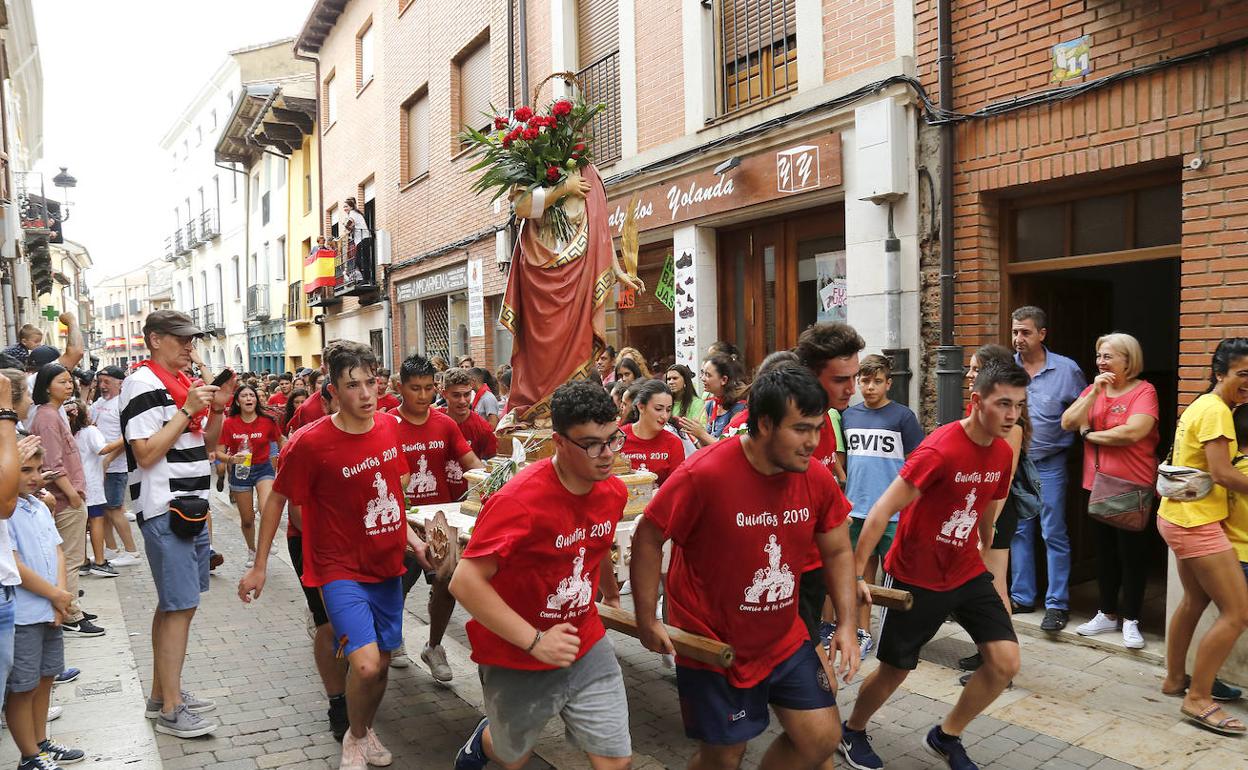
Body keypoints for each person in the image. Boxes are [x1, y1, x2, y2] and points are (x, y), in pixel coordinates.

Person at [631, 365, 858, 770]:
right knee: (724, 756)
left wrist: (846, 624)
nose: (813, 442)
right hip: (712, 642)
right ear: (765, 424)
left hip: (782, 634)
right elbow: (648, 536)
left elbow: (839, 551)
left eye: (817, 428)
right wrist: (647, 619)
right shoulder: (705, 473)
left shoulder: (815, 476)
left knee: (821, 738)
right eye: (801, 429)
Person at [239, 341, 431, 769]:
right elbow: (277, 500)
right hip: (337, 568)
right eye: (352, 385)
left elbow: (393, 497)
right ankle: (353, 738)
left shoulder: (389, 427)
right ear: (334, 391)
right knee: (365, 666)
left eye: (370, 383)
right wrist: (259, 566)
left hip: (386, 564)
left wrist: (415, 543)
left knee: (382, 665)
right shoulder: (310, 442)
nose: (365, 394)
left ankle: (361, 731)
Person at [839, 362, 1027, 770]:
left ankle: (946, 735)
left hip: (965, 570)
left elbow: (988, 500)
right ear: (977, 401)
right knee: (895, 670)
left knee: (1005, 662)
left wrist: (986, 538)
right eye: (1003, 404)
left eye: (1019, 405)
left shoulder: (1001, 450)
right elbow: (881, 510)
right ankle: (851, 730)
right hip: (915, 574)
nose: (1012, 415)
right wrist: (855, 573)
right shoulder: (940, 449)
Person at [451, 381, 632, 770]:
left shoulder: (614, 491)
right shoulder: (518, 502)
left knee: (615, 762)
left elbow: (595, 544)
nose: (607, 455)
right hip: (515, 650)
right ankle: (483, 743)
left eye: (612, 440)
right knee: (511, 756)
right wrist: (535, 641)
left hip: (584, 640)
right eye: (592, 444)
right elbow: (464, 581)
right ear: (559, 442)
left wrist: (612, 594)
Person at [121, 310, 233, 738]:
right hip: (167, 508)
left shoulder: (181, 382)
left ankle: (161, 695)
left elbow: (207, 444)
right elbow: (146, 453)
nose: (190, 346)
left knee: (175, 605)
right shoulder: (141, 383)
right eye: (181, 339)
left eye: (192, 339)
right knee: (179, 607)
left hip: (189, 508)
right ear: (155, 339)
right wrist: (187, 410)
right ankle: (171, 709)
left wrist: (216, 410)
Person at [1155, 338, 1248, 736]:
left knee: (1194, 600)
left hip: (1178, 516)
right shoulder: (1216, 411)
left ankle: (1176, 678)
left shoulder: (1203, 404)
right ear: (1220, 373)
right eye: (1243, 374)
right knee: (1238, 613)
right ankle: (1198, 698)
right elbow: (1223, 473)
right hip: (1196, 523)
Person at [1060, 333, 1159, 650]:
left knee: (1132, 556)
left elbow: (1133, 432)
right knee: (1104, 554)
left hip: (1133, 484)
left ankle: (1131, 619)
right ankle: (1106, 613)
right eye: (1099, 356)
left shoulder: (1144, 391)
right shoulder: (1094, 389)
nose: (1101, 362)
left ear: (1128, 360)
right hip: (1097, 484)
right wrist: (1093, 394)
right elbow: (1068, 422)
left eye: (1108, 356)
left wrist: (1090, 436)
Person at [388, 355, 482, 678]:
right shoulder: (385, 425)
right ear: (400, 387)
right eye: (416, 388)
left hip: (439, 523)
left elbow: (472, 463)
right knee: (398, 585)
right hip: (401, 521)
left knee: (446, 583)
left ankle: (434, 645)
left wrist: (492, 480)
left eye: (429, 388)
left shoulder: (445, 424)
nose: (423, 395)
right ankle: (393, 637)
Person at [5, 448, 85, 769]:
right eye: (25, 470)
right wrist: (55, 595)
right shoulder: (6, 514)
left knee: (46, 677)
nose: (35, 477)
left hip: (51, 609)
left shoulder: (38, 506)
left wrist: (60, 596)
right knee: (22, 688)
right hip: (24, 614)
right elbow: (14, 564)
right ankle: (28, 755)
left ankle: (41, 742)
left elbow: (58, 551)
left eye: (39, 469)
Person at [841, 354, 925, 659]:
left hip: (893, 513)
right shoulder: (849, 417)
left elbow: (918, 463)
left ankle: (899, 635)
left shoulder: (903, 417)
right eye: (865, 380)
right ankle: (863, 631)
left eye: (877, 381)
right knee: (860, 575)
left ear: (889, 383)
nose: (870, 387)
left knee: (898, 576)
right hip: (857, 510)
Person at [1010, 305, 1086, 631]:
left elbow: (1085, 412)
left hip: (1052, 463)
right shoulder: (1006, 368)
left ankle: (1057, 604)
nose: (1018, 338)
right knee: (1019, 531)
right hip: (1016, 462)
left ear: (1042, 334)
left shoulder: (1067, 370)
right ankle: (1022, 596)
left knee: (1053, 531)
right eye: (1015, 332)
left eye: (1025, 332)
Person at [957, 344, 1029, 678]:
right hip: (979, 508)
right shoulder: (981, 415)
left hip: (996, 510)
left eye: (975, 368)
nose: (969, 374)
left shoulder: (1013, 427)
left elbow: (1006, 477)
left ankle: (1000, 663)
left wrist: (988, 525)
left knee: (996, 584)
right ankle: (987, 652)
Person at [28, 365, 102, 638]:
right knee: (70, 558)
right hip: (65, 498)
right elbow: (52, 463)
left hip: (70, 495)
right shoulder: (47, 417)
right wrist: (72, 495)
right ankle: (71, 614)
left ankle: (72, 606)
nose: (69, 385)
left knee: (70, 556)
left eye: (70, 381)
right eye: (62, 382)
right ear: (47, 386)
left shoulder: (53, 413)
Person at [218, 385, 285, 568]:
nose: (248, 398)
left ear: (256, 399)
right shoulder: (229, 423)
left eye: (251, 395)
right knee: (247, 520)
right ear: (237, 402)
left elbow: (281, 441)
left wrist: (288, 453)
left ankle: (268, 540)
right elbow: (219, 452)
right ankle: (251, 550)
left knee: (266, 507)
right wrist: (231, 459)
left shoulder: (267, 421)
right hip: (240, 471)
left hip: (263, 468)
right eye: (244, 396)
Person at [90, 366, 140, 567]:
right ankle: (110, 548)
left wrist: (108, 459)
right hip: (99, 465)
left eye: (107, 382)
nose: (102, 386)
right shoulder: (99, 402)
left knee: (115, 509)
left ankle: (132, 552)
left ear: (120, 383)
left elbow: (126, 437)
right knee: (104, 509)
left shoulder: (122, 404)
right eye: (100, 381)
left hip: (115, 467)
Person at [65, 398, 118, 579]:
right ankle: (100, 561)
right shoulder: (90, 431)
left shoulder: (67, 434)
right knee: (96, 520)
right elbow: (103, 449)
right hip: (91, 484)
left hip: (74, 483)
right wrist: (124, 439)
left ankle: (83, 561)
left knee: (81, 523)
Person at [440, 368, 498, 501]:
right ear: (444, 394)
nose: (462, 401)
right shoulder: (434, 421)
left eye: (466, 394)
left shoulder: (482, 428)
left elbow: (491, 466)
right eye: (456, 395)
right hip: (437, 500)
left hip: (468, 500)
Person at [620, 379, 685, 486]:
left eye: (668, 410)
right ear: (641, 407)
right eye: (658, 409)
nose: (664, 416)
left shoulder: (673, 443)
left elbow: (676, 487)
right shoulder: (620, 438)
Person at [679, 354, 747, 446]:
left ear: (724, 379)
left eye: (707, 375)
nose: (702, 378)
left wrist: (701, 434)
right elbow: (705, 446)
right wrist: (694, 434)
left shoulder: (740, 408)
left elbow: (730, 447)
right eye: (702, 373)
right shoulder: (710, 405)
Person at [344, 196, 374, 285]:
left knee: (360, 261)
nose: (345, 209)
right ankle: (366, 279)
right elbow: (352, 227)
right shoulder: (357, 213)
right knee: (362, 260)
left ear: (351, 207)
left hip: (362, 239)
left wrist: (345, 226)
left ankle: (366, 279)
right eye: (344, 207)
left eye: (346, 206)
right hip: (364, 238)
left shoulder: (352, 213)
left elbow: (349, 223)